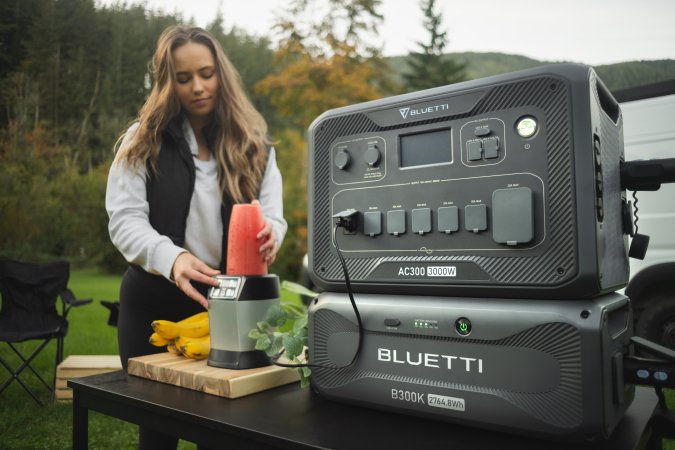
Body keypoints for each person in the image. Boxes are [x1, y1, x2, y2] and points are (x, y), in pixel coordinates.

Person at [105, 25, 287, 449]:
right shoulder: (141, 139)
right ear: (168, 82)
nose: (198, 87)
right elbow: (125, 220)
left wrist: (271, 235)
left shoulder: (255, 144)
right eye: (183, 78)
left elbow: (274, 216)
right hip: (153, 299)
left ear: (221, 72)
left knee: (224, 431)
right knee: (157, 434)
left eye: (206, 73)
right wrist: (173, 259)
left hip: (229, 305)